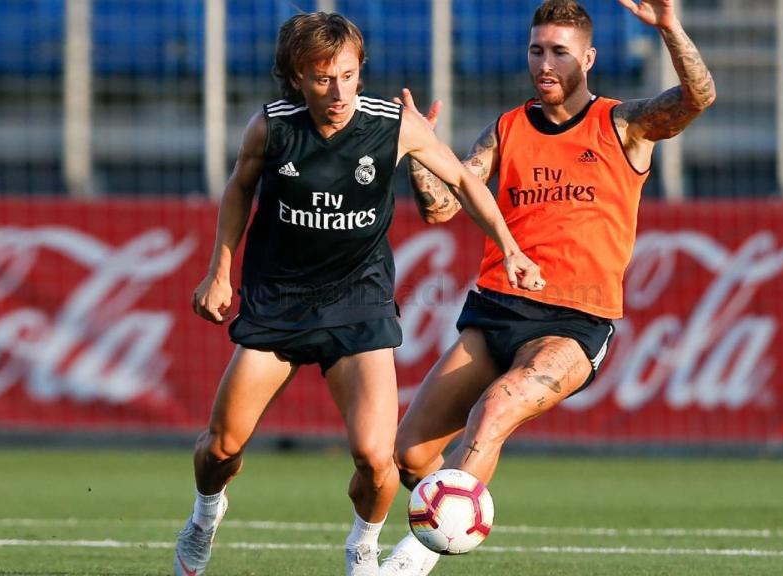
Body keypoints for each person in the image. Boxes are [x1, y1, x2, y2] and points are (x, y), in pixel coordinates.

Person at [173, 11, 543, 576]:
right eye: (323, 78)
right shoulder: (271, 127)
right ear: (297, 76)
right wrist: (220, 270)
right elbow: (239, 188)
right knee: (221, 448)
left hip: (358, 303)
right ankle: (205, 515)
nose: (339, 90)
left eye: (348, 75)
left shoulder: (393, 125)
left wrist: (510, 247)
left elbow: (466, 180)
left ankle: (362, 548)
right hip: (280, 302)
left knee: (377, 458)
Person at [380, 1, 715, 574]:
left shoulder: (623, 124)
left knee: (497, 408)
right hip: (495, 312)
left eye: (559, 51)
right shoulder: (507, 130)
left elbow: (697, 99)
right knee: (409, 455)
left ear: (587, 57)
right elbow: (438, 209)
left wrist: (670, 29)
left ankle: (419, 552)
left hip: (573, 323)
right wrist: (418, 149)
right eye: (537, 49)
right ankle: (451, 501)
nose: (545, 62)